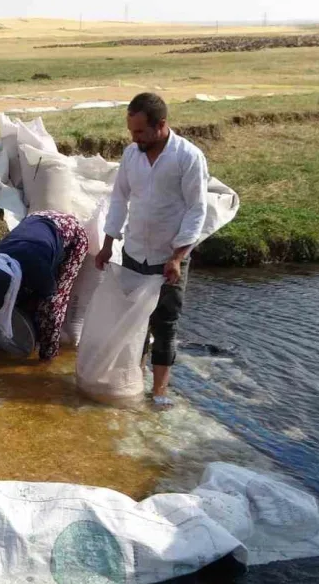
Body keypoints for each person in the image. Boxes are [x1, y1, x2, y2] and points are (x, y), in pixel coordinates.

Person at [94, 92, 209, 405]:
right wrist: (107, 244)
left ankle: (159, 393)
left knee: (165, 324)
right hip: (134, 252)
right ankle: (134, 379)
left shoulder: (187, 157)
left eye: (140, 132)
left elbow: (197, 209)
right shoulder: (132, 155)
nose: (134, 138)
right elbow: (119, 199)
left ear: (161, 126)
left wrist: (177, 257)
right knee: (134, 320)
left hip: (168, 258)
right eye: (131, 131)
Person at [0, 210, 88, 361]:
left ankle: (49, 356)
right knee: (24, 298)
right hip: (35, 222)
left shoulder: (36, 267)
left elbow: (50, 297)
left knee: (51, 306)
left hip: (69, 231)